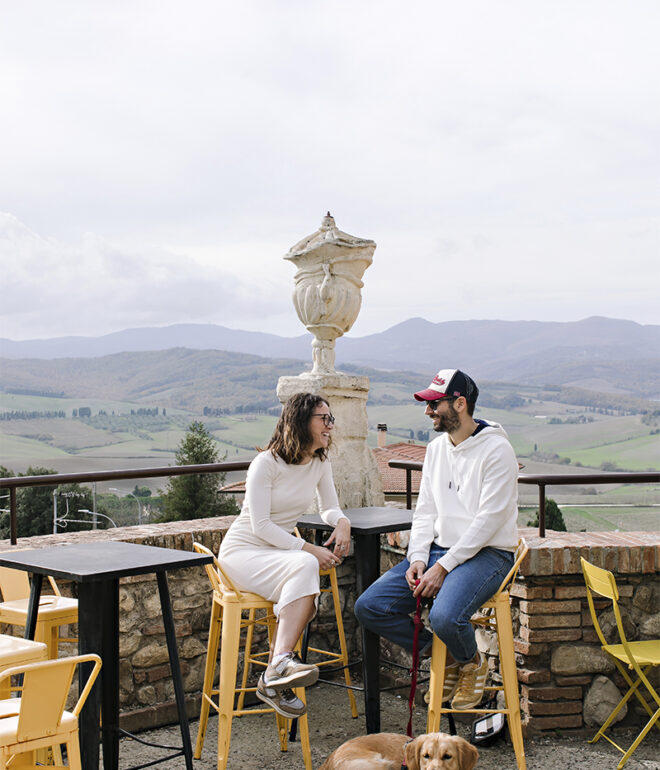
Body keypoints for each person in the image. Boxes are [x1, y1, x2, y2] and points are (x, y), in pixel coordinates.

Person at [354, 368, 518, 710]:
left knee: (445, 617)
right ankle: (448, 658)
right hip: (439, 552)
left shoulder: (497, 451)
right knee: (370, 606)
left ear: (459, 404)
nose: (428, 411)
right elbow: (425, 510)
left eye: (434, 404)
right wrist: (417, 558)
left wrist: (441, 567)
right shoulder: (436, 449)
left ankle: (472, 662)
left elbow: (488, 522)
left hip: (489, 553)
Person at [219, 392, 350, 718]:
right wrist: (309, 548)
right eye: (324, 418)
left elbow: (328, 507)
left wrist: (343, 521)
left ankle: (275, 672)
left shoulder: (319, 462)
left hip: (278, 554)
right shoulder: (266, 464)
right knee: (305, 564)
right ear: (302, 421)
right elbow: (261, 525)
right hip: (243, 552)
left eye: (330, 419)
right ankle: (278, 668)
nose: (330, 426)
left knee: (304, 568)